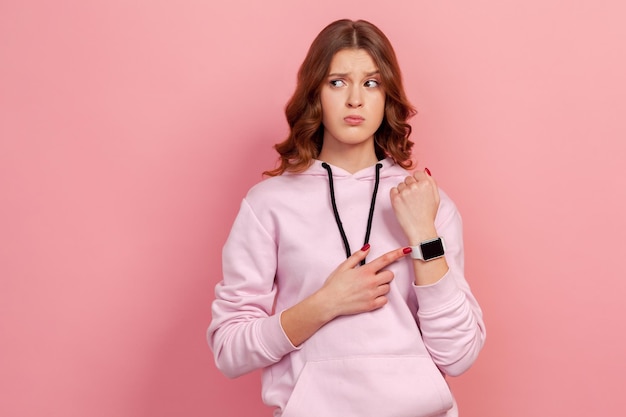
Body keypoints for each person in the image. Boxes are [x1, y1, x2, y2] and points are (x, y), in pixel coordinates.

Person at [207, 19, 485, 417]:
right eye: (337, 82)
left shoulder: (426, 202)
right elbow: (229, 349)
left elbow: (458, 354)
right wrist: (325, 303)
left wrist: (424, 233)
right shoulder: (268, 205)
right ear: (314, 94)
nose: (355, 99)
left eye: (371, 83)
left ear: (387, 97)